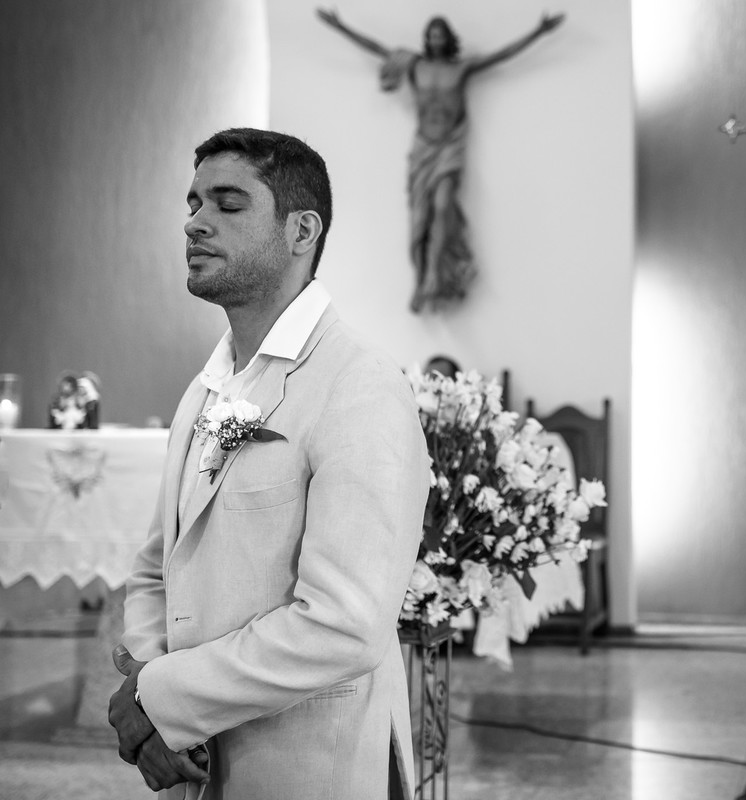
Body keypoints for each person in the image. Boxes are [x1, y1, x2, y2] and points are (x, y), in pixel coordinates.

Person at [108, 128, 429, 799]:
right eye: (193, 203)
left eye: (228, 204)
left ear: (301, 230)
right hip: (201, 766)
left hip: (315, 764)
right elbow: (154, 565)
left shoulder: (359, 385)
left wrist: (163, 701)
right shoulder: (207, 387)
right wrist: (160, 703)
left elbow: (342, 624)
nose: (195, 223)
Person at [316, 9, 565, 313]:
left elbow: (502, 56)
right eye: (431, 34)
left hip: (449, 148)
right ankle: (423, 280)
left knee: (444, 205)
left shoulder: (462, 68)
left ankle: (434, 274)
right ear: (427, 39)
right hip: (423, 149)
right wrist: (341, 26)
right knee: (420, 218)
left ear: (448, 39)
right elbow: (377, 48)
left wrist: (539, 32)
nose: (435, 39)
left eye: (440, 34)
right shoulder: (414, 66)